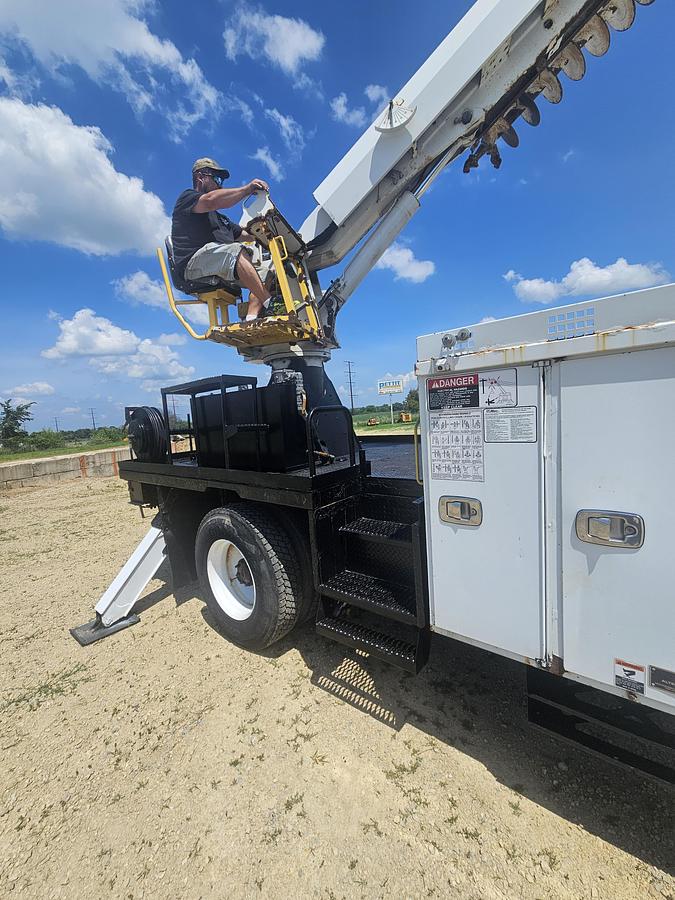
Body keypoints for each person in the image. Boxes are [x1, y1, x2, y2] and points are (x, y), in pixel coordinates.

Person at [171, 157, 276, 320]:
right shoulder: (188, 198)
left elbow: (247, 235)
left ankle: (251, 319)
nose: (220, 184)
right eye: (216, 178)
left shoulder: (221, 220)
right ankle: (271, 304)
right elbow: (211, 201)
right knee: (235, 250)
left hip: (217, 263)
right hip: (191, 266)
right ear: (200, 177)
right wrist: (247, 189)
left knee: (265, 272)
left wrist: (271, 230)